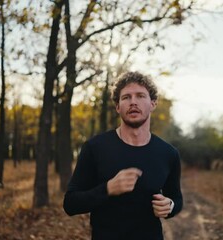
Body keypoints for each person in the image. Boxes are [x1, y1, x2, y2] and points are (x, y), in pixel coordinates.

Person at [63, 71, 183, 240]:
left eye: (140, 96)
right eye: (126, 97)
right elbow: (70, 204)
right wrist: (108, 189)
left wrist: (170, 206)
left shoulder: (168, 153)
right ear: (118, 106)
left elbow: (176, 198)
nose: (133, 102)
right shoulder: (95, 148)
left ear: (153, 103)